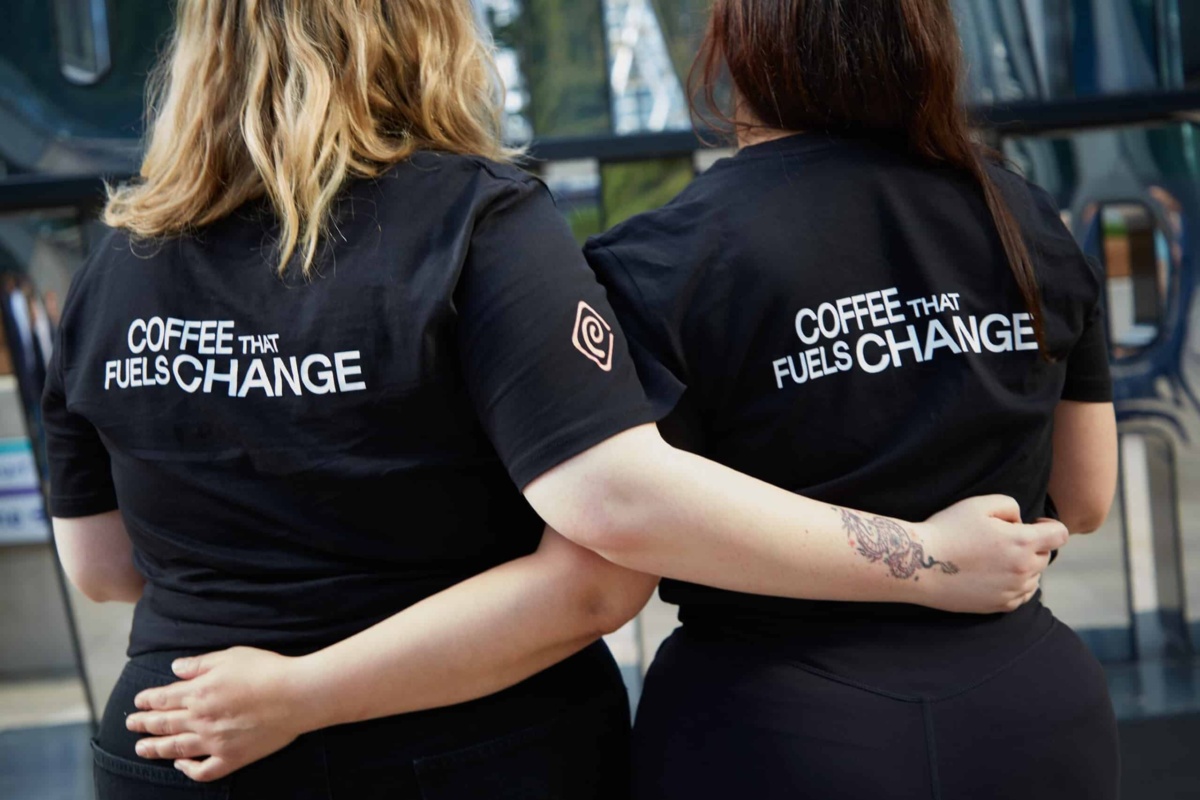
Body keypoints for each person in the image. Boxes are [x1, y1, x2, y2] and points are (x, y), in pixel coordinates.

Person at [45, 1, 1069, 798]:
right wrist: (927, 558)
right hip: (458, 748)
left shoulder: (115, 264)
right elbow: (600, 564)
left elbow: (102, 566)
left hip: (180, 740)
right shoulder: (478, 223)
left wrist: (270, 660)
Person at [579, 1, 1121, 798]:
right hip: (1029, 712)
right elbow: (1084, 497)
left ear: (739, 47)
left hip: (773, 726)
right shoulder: (1019, 210)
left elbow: (629, 549)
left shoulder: (661, 258)